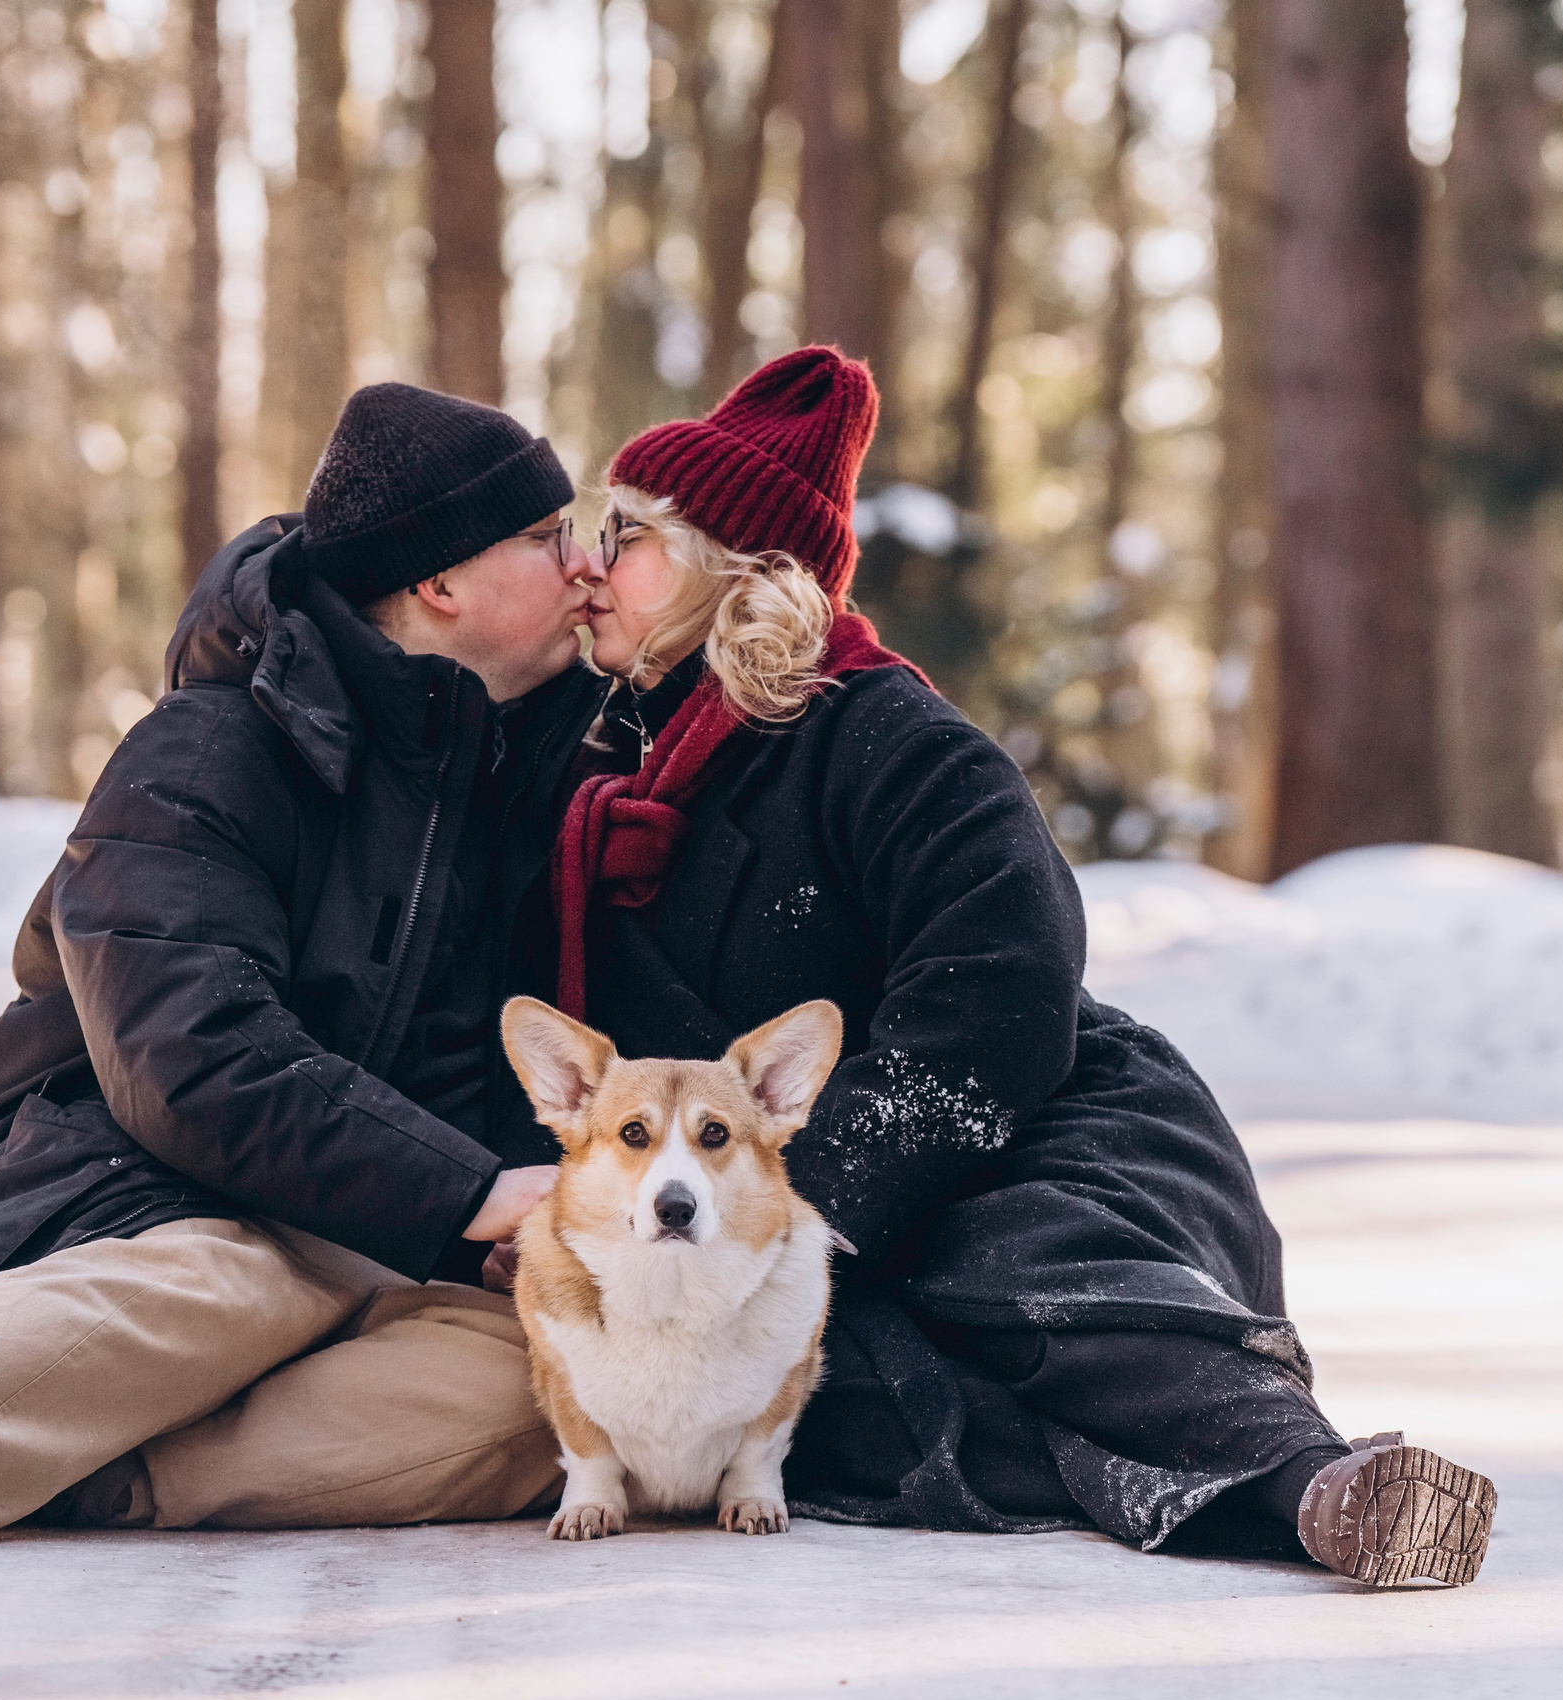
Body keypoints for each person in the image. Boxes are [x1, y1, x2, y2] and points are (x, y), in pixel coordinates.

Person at [555, 345, 1496, 1587]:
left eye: (624, 534)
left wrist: (797, 1213)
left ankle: (1313, 1482)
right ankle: (1198, 1487)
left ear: (724, 566)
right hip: (758, 1200)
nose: (586, 564)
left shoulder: (892, 740)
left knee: (1011, 1272)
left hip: (1027, 1133)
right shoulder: (603, 765)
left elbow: (996, 998)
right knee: (817, 1383)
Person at [0, 382, 609, 1554]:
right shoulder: (208, 754)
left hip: (365, 1252)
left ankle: (69, 1467)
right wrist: (466, 1192)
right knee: (254, 1275)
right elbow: (193, 1064)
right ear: (440, 583)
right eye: (548, 537)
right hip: (85, 1218)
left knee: (551, 1380)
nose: (585, 564)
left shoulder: (528, 773)